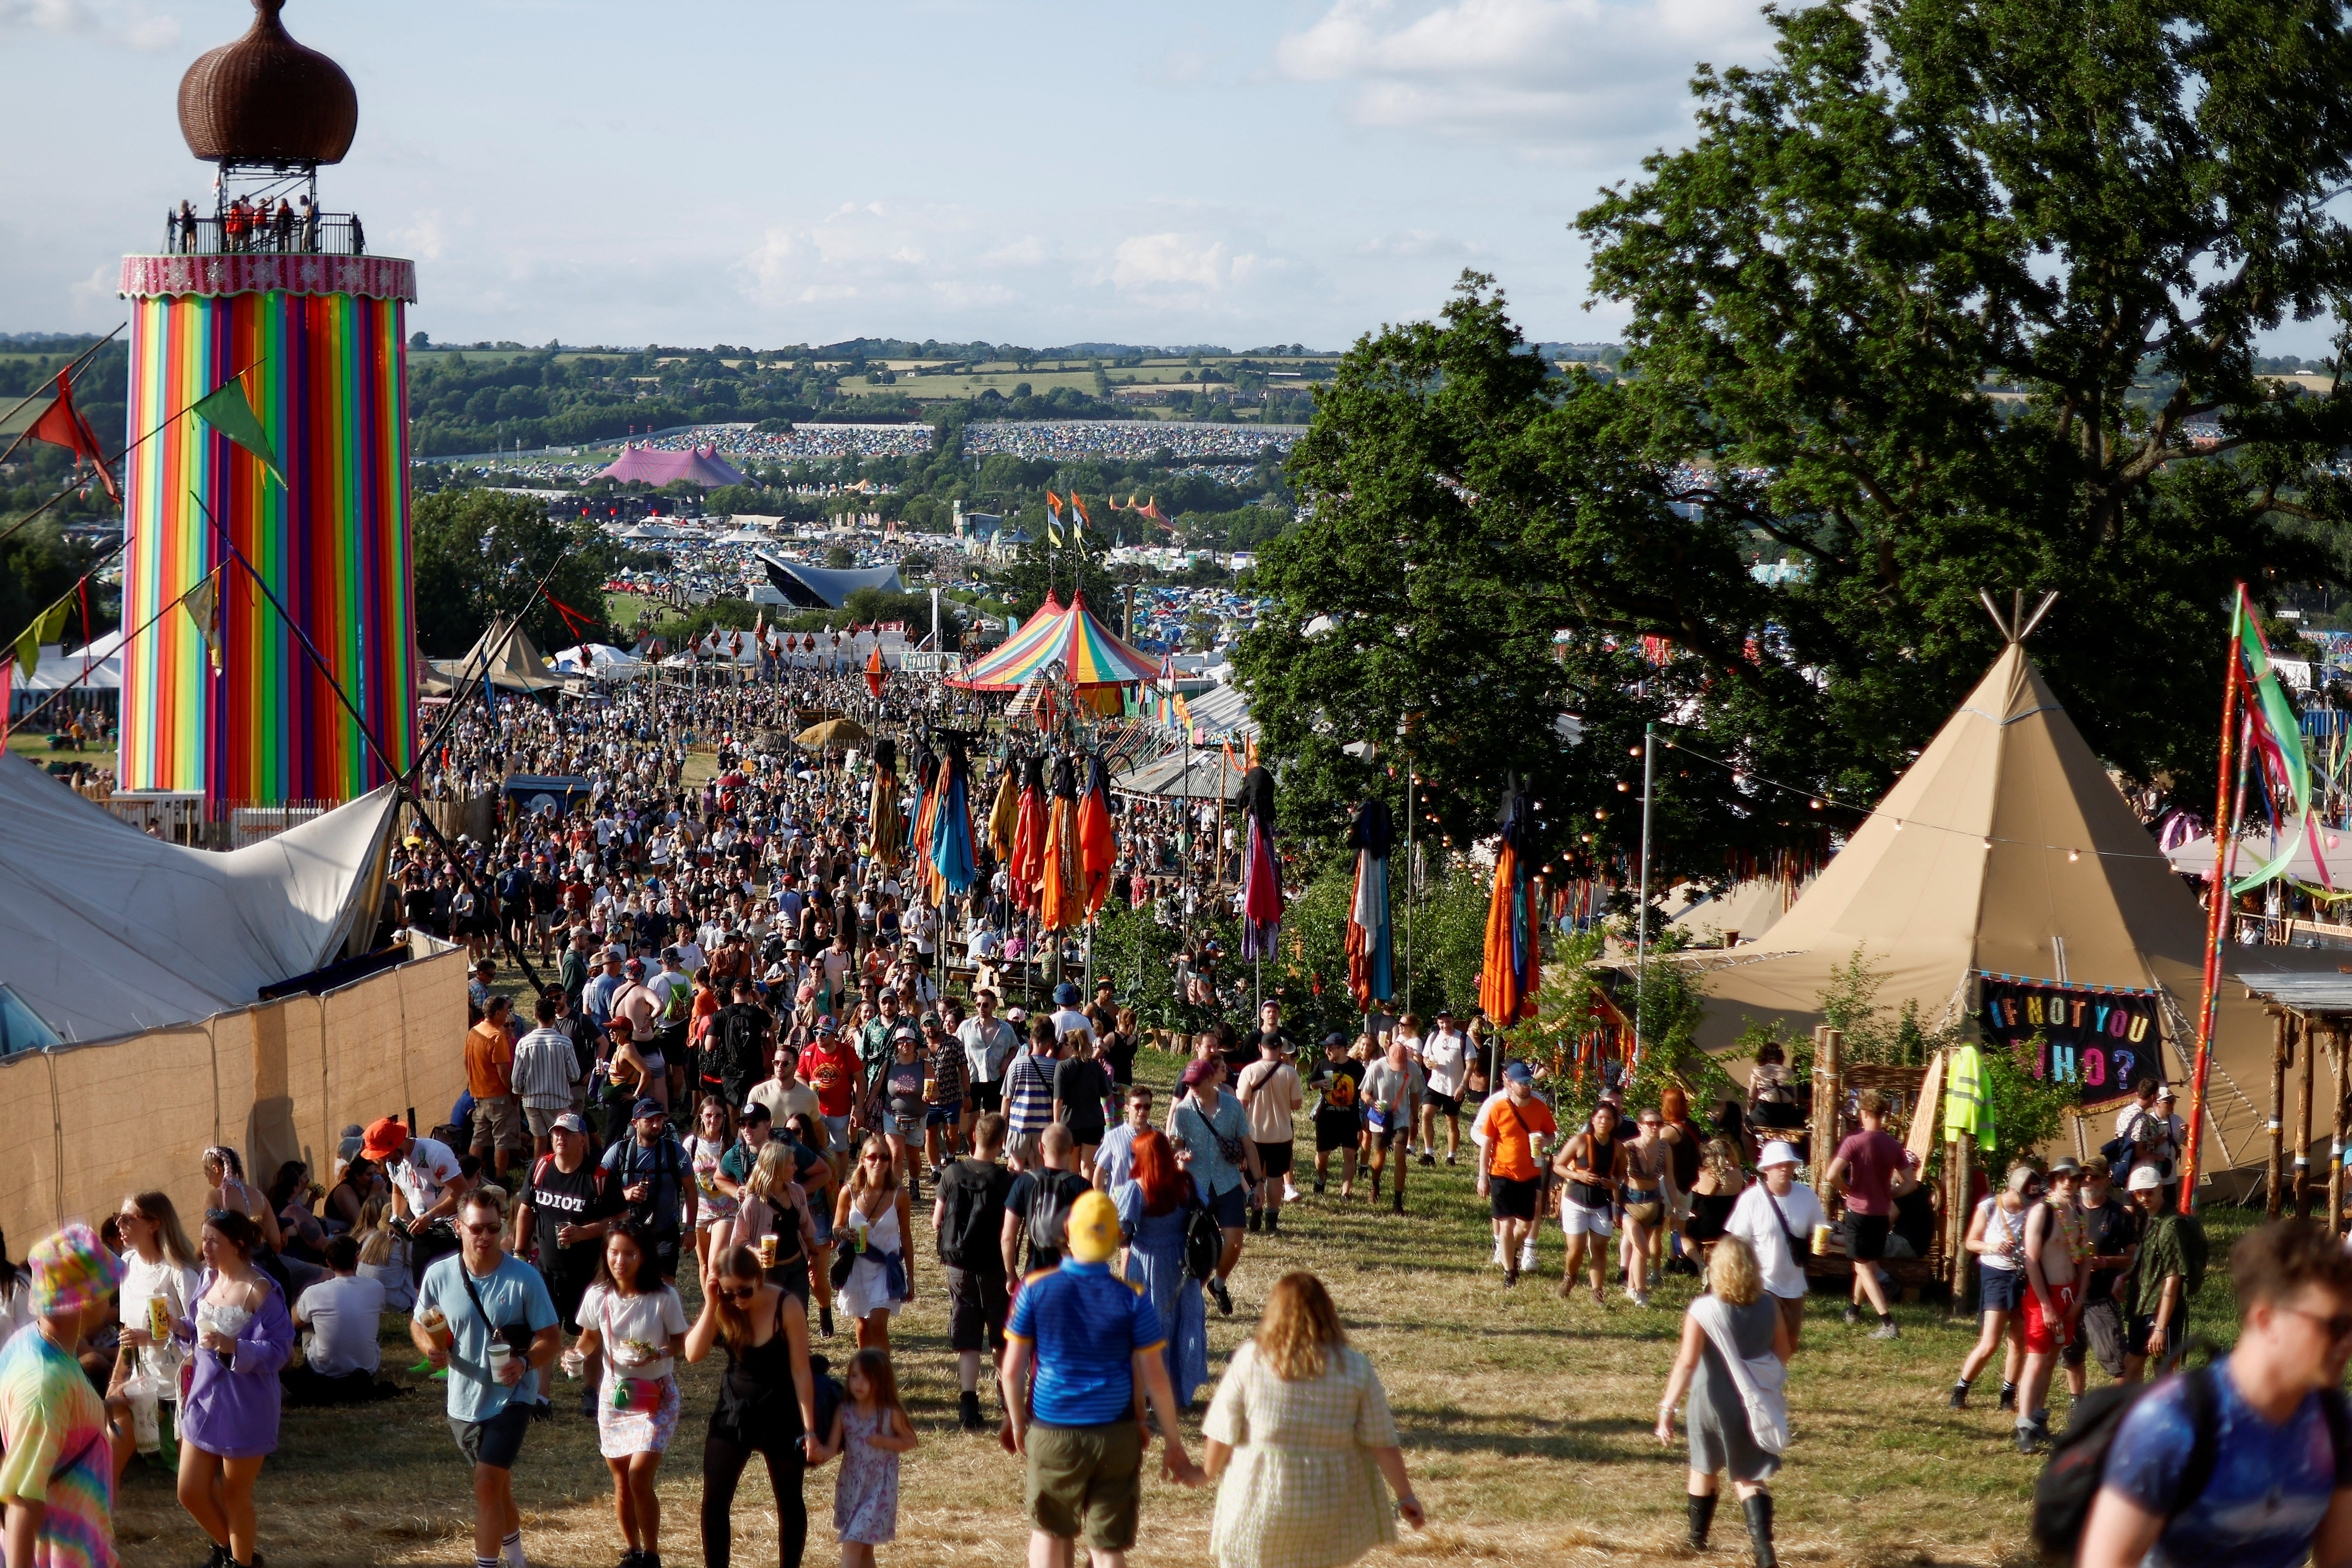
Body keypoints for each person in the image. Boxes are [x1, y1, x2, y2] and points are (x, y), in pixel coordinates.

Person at [2080, 1220, 2352, 1568]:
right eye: (2337, 1326)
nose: (2347, 1344)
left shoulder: (2336, 1423)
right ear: (2267, 1319)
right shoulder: (2172, 1421)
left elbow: (2340, 1559)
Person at [1002, 1190, 1205, 1566]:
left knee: (1050, 1530)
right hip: (1116, 1434)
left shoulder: (1034, 1289)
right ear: (1115, 1240)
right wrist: (1171, 1440)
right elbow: (1155, 1377)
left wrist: (1018, 1422)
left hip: (1053, 1430)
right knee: (1108, 1546)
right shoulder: (1133, 1297)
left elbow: (1012, 1370)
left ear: (1067, 1232)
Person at [1200, 1270, 1423, 1568]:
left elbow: (1222, 1431)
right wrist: (1406, 1495)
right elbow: (1381, 1440)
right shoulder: (1355, 1368)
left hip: (1260, 1502)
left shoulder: (1251, 1359)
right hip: (1328, 1507)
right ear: (1327, 1313)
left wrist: (1205, 1472)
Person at [413, 1188, 561, 1568]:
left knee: (485, 1484)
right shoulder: (439, 1274)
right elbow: (419, 1321)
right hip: (463, 1399)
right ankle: (517, 1559)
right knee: (497, 1486)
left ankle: (487, 1565)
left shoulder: (524, 1278)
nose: (485, 1236)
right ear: (459, 1227)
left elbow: (551, 1339)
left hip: (513, 1397)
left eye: (494, 1228)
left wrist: (525, 1363)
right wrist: (428, 1347)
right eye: (477, 1228)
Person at [0, 1223, 137, 1568]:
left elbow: (52, 1431)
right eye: (105, 1291)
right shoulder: (46, 1382)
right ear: (83, 1302)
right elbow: (22, 1499)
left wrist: (103, 1407)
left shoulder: (38, 1343)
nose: (110, 1300)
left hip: (82, 1543)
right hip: (58, 1552)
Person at [1655, 1235, 1791, 1567]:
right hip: (1750, 1400)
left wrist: (1666, 1408)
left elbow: (1687, 1362)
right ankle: (1763, 1550)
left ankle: (1697, 1539)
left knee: (1704, 1466)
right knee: (1747, 1476)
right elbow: (1784, 1351)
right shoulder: (1770, 1305)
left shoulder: (1703, 1308)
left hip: (1709, 1398)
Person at [175, 1209, 298, 1568]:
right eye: (203, 1238)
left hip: (245, 1404)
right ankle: (231, 1550)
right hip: (203, 1399)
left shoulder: (260, 1289)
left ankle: (241, 1563)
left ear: (238, 1244)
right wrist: (181, 1327)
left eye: (214, 1240)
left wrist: (235, 1347)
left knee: (234, 1495)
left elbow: (281, 1350)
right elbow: (201, 1329)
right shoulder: (207, 1277)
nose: (205, 1247)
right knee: (190, 1491)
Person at [684, 1243, 818, 1568]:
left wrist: (810, 1430)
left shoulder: (787, 1304)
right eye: (729, 1292)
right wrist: (712, 1301)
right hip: (735, 1410)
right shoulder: (724, 1305)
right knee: (715, 1500)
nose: (738, 1300)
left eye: (744, 1290)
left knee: (789, 1500)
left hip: (780, 1409)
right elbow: (692, 1353)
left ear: (759, 1278)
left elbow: (801, 1370)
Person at [573, 1218, 691, 1568]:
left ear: (644, 1256)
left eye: (629, 1253)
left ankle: (652, 1553)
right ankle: (632, 1549)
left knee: (640, 1474)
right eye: (613, 1252)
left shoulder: (663, 1296)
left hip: (656, 1395)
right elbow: (589, 1338)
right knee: (621, 1477)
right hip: (617, 1394)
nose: (619, 1261)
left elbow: (681, 1343)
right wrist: (576, 1354)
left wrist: (658, 1353)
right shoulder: (598, 1295)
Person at [509, 1112, 619, 1412]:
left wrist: (585, 1232)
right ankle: (541, 1398)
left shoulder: (599, 1177)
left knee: (589, 1331)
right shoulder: (541, 1167)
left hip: (589, 1271)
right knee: (544, 1330)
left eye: (568, 1133)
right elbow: (526, 1209)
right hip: (546, 1269)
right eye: (557, 1132)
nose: (561, 1137)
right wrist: (520, 1251)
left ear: (582, 1139)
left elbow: (619, 1220)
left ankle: (590, 1390)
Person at [1114, 1127, 1211, 1412]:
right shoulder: (1187, 1182)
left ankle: (1147, 1391)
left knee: (1150, 1325)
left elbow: (1122, 1230)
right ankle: (1179, 1391)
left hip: (1147, 1263)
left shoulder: (1136, 1187)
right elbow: (1205, 1209)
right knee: (1183, 1322)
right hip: (1183, 1263)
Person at [932, 1111, 1016, 1432]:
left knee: (968, 1337)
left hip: (959, 1265)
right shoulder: (1006, 1180)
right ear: (1001, 1142)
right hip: (993, 1265)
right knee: (999, 1335)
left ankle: (968, 1405)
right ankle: (1006, 1398)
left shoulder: (952, 1173)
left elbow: (937, 1221)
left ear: (974, 1137)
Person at [114, 1189, 202, 1463]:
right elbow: (126, 1331)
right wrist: (116, 1379)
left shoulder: (179, 1273)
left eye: (128, 1219)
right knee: (114, 1452)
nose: (120, 1225)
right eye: (119, 1218)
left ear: (154, 1224)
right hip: (142, 1381)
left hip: (180, 1384)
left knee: (188, 1474)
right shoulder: (127, 1265)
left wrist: (150, 1337)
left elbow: (199, 1337)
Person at [1821, 1088, 1915, 1339]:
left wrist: (1845, 1189)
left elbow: (1832, 1175)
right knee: (1866, 1262)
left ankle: (1887, 1322)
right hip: (1881, 1214)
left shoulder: (1854, 1141)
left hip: (1859, 1211)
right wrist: (1891, 1194)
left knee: (1862, 1266)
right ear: (1883, 1115)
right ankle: (1853, 1310)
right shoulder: (1894, 1145)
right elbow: (1911, 1183)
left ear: (1863, 1114)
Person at [811, 1347, 916, 1565]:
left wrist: (886, 1442)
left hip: (879, 1488)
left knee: (853, 1539)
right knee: (865, 1548)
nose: (858, 1383)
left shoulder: (889, 1413)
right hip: (852, 1486)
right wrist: (820, 1454)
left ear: (882, 1382)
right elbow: (833, 1448)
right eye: (854, 1376)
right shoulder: (844, 1411)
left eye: (867, 1378)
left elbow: (910, 1441)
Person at [1171, 1058, 1258, 1316]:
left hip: (1228, 1183)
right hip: (1197, 1185)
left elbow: (1248, 1144)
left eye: (1197, 1083)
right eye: (1189, 1084)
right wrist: (1180, 1153)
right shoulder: (1184, 1111)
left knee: (1233, 1243)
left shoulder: (1232, 1107)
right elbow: (1175, 1144)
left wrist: (1259, 1183)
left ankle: (1218, 1285)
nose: (1193, 1087)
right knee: (1198, 1246)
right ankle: (1190, 1299)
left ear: (1212, 1080)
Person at [1723, 1141, 1826, 1352]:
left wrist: (1822, 1245)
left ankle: (1772, 1381)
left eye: (1788, 1164)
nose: (1784, 1169)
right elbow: (1736, 1243)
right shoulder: (1751, 1199)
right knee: (1769, 1340)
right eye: (1779, 1164)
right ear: (1766, 1169)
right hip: (1764, 1284)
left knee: (1789, 1346)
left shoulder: (1806, 1196)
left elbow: (1819, 1229)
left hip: (1795, 1284)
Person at [1950, 1163, 2037, 1410]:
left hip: (2022, 1275)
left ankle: (2008, 1397)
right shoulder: (1989, 1206)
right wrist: (1992, 1247)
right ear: (2011, 1188)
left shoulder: (2034, 1208)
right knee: (1990, 1341)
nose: (2026, 1202)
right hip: (1996, 1274)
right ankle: (1961, 1390)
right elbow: (1971, 1243)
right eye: (2023, 1196)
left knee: (2018, 1341)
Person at [2014, 1157, 2086, 1451]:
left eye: (2074, 1178)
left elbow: (2085, 1259)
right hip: (2042, 1293)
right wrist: (2045, 1305)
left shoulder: (2078, 1213)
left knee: (2053, 1356)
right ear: (2054, 1180)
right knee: (2036, 1358)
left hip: (2070, 1293)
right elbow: (2031, 1261)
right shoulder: (2042, 1211)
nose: (2069, 1182)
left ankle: (2039, 1417)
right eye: (2063, 1177)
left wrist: (2080, 1298)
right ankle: (2023, 1426)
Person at [2120, 1163, 2208, 1382]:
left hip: (2161, 1311)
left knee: (2163, 1371)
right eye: (2138, 1193)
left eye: (2148, 1192)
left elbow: (2174, 1278)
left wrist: (2160, 1328)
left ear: (2160, 1188)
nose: (2143, 1197)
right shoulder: (2148, 1220)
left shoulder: (2170, 1227)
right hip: (2144, 1306)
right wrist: (2124, 1277)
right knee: (2133, 1364)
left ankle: (2168, 1414)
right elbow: (2150, 1264)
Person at [1474, 1063, 1557, 1287]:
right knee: (1507, 1224)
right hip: (1502, 1172)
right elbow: (1487, 1145)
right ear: (1509, 1083)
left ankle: (1509, 1250)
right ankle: (1510, 1273)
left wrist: (1545, 1141)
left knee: (1525, 1225)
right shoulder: (1498, 1108)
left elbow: (1552, 1136)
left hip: (1530, 1174)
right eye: (1522, 1082)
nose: (1527, 1086)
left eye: (1529, 1082)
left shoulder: (1540, 1108)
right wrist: (1483, 1177)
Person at [282, 1234, 387, 1406]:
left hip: (323, 1369)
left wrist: (301, 1298)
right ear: (356, 1259)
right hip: (368, 1367)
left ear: (329, 1263)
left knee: (309, 1318)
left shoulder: (314, 1292)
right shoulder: (376, 1288)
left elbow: (293, 1323)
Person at [367, 1115, 472, 1285]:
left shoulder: (435, 1153)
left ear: (395, 1142)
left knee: (455, 1284)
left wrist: (430, 1216)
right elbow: (398, 1192)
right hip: (423, 1229)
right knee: (422, 1289)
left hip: (453, 1229)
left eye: (385, 1154)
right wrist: (397, 1218)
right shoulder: (392, 1162)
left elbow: (463, 1191)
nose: (384, 1160)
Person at [834, 1134, 914, 1351]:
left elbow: (906, 1237)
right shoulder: (849, 1192)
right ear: (863, 1161)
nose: (878, 1162)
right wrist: (846, 1235)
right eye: (872, 1157)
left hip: (885, 1269)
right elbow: (837, 1226)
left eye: (884, 1157)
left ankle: (883, 1376)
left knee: (878, 1325)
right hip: (858, 1267)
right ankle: (867, 1372)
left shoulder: (900, 1195)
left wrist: (911, 1278)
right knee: (862, 1326)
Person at [2067, 1154, 2140, 1393]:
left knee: (2115, 1358)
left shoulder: (2119, 1214)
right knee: (2072, 1354)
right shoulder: (2068, 1209)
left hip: (2101, 1296)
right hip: (2068, 1293)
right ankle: (2076, 1403)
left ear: (2107, 1180)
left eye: (2095, 1177)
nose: (2088, 1181)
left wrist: (2106, 1262)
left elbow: (2133, 1256)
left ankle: (2123, 1406)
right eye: (2084, 1176)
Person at [604, 1096, 694, 1284]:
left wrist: (690, 1229)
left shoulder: (674, 1151)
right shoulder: (619, 1152)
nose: (656, 1125)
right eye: (650, 1120)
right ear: (635, 1123)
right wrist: (625, 1194)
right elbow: (598, 1190)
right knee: (630, 1284)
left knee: (665, 1286)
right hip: (629, 1232)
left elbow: (691, 1191)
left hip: (665, 1232)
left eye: (660, 1120)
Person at [1553, 1101, 1630, 1303]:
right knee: (1576, 1249)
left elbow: (1622, 1175)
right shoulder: (1580, 1141)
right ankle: (1570, 1278)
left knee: (1599, 1248)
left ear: (1615, 1123)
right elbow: (1558, 1166)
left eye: (1609, 1119)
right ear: (1593, 1120)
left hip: (1602, 1204)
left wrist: (1615, 1183)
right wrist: (1578, 1176)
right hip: (1576, 1200)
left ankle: (1597, 1291)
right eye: (1600, 1118)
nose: (1604, 1122)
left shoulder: (1619, 1148)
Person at [1236, 1031, 1303, 1236]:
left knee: (1255, 1178)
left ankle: (1256, 1208)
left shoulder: (1249, 1071)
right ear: (1280, 1049)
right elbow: (1297, 1105)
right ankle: (1272, 1220)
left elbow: (1242, 1104)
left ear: (1260, 1048)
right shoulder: (1290, 1073)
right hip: (1281, 1134)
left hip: (1255, 1134)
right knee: (1276, 1178)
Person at [511, 991, 585, 1161]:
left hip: (532, 1100)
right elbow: (575, 1075)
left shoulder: (524, 1043)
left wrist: (521, 1090)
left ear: (536, 1016)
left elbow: (516, 1079)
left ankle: (538, 1172)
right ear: (554, 1016)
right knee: (561, 1137)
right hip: (558, 1100)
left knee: (540, 1138)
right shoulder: (565, 1043)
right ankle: (561, 1168)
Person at [1359, 1034, 1422, 1216]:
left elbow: (1415, 1094)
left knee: (1400, 1156)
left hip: (1401, 1117)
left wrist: (1415, 1119)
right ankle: (1375, 1185)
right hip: (1381, 1118)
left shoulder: (1411, 1068)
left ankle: (1398, 1201)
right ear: (1388, 1057)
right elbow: (1364, 1093)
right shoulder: (1377, 1067)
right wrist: (1372, 1103)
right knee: (1379, 1158)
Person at [467, 995, 525, 1181]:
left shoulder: (474, 1031)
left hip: (479, 1094)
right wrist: (513, 1091)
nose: (508, 1015)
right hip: (499, 1096)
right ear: (499, 1013)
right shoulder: (496, 1036)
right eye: (506, 1012)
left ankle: (470, 1178)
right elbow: (502, 1071)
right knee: (503, 1141)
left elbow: (466, 1062)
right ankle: (501, 1179)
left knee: (479, 1138)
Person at [1306, 1033, 1365, 1198]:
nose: (1327, 1051)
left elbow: (1365, 1090)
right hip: (1327, 1118)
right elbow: (1310, 1084)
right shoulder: (1324, 1064)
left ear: (1341, 1049)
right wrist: (1318, 1084)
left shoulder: (1356, 1068)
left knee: (1349, 1153)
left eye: (1330, 1048)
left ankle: (1345, 1193)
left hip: (1349, 1118)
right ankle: (1321, 1177)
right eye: (1326, 1048)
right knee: (1323, 1155)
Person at [688, 1097, 742, 1278]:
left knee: (715, 1265)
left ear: (725, 1118)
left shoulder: (735, 1145)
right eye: (709, 1116)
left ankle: (716, 1306)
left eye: (718, 1116)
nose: (713, 1120)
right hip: (700, 1209)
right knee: (704, 1265)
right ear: (701, 1117)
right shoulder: (691, 1144)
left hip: (727, 1209)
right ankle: (711, 1305)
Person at [1053, 1031, 1114, 1181]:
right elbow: (1107, 1092)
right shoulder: (1094, 1065)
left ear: (1069, 1046)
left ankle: (1075, 1200)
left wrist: (1056, 1124)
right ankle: (1087, 1197)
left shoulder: (1062, 1067)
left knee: (1073, 1168)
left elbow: (1058, 1099)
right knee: (1087, 1166)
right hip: (1094, 1122)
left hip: (1071, 1123)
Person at [1415, 1009, 1471, 1166]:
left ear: (1454, 1021)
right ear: (1437, 1022)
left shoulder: (1463, 1039)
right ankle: (1429, 1154)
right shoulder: (1433, 1037)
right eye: (1442, 1022)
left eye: (1448, 1021)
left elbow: (1471, 1064)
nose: (1445, 1025)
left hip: (1454, 1088)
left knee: (1451, 1122)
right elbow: (1426, 1056)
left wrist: (1463, 1086)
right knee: (1426, 1114)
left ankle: (1451, 1156)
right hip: (1435, 1084)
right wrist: (1427, 1062)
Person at [1004, 1019, 1061, 1173]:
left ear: (1031, 1039)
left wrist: (1004, 1124)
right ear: (1051, 1043)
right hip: (1044, 1126)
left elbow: (1007, 1097)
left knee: (1015, 1167)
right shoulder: (1056, 1067)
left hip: (1019, 1124)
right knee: (1041, 1168)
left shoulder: (1017, 1064)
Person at [1092, 1086, 1155, 1193]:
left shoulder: (1159, 1138)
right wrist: (1103, 1202)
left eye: (1147, 1107)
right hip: (1118, 1204)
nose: (1142, 1111)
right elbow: (1100, 1173)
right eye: (1138, 1106)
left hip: (1150, 1204)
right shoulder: (1113, 1137)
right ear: (1127, 1108)